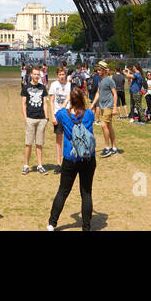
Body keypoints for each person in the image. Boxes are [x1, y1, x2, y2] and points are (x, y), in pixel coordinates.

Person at [47, 84, 96, 231]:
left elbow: (56, 116)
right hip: (88, 158)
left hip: (71, 158)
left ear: (71, 100)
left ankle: (52, 222)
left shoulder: (64, 114)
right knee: (86, 192)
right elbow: (88, 113)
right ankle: (86, 226)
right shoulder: (89, 114)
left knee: (63, 191)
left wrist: (66, 101)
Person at [21, 66, 49, 174]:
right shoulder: (26, 87)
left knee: (39, 143)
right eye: (35, 74)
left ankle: (40, 165)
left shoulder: (42, 88)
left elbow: (45, 103)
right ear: (31, 75)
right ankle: (26, 165)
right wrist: (25, 118)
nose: (37, 76)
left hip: (41, 118)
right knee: (28, 143)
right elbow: (23, 104)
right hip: (30, 118)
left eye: (38, 74)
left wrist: (46, 117)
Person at [92, 61, 118, 157]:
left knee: (103, 125)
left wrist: (114, 108)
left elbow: (115, 94)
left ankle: (107, 148)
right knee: (109, 126)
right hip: (102, 106)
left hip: (109, 106)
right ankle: (114, 147)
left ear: (104, 70)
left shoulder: (109, 80)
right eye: (97, 70)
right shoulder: (100, 80)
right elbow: (98, 93)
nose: (97, 71)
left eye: (99, 70)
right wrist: (93, 104)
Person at [48, 65, 72, 169]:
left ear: (65, 74)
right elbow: (51, 101)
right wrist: (53, 116)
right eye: (60, 74)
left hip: (68, 114)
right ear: (57, 75)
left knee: (69, 138)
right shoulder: (54, 85)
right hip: (58, 115)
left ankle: (68, 161)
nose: (62, 76)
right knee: (58, 139)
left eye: (63, 74)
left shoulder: (69, 85)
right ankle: (58, 163)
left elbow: (71, 98)